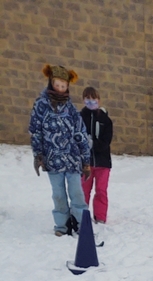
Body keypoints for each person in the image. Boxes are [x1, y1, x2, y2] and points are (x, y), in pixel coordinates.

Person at [29, 64, 92, 236]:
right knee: (58, 195)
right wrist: (38, 155)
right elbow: (35, 131)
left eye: (64, 86)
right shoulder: (41, 105)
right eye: (57, 85)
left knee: (77, 193)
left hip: (72, 160)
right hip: (52, 159)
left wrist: (86, 160)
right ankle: (62, 226)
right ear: (51, 83)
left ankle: (81, 225)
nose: (60, 89)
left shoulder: (70, 108)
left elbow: (80, 133)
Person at [80, 86, 113, 225]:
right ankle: (82, 215)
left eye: (93, 99)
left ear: (98, 100)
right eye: (88, 99)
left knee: (101, 190)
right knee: (83, 190)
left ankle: (100, 216)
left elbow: (106, 141)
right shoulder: (80, 118)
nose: (91, 102)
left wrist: (93, 144)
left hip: (102, 163)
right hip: (85, 163)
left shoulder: (106, 120)